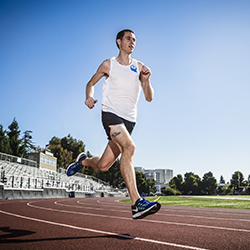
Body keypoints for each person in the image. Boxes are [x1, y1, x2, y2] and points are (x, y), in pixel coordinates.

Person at [66, 29, 161, 219]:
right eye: (128, 39)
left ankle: (82, 161)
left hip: (129, 120)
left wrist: (146, 80)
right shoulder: (108, 64)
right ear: (119, 42)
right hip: (111, 114)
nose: (132, 42)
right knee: (130, 148)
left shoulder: (139, 66)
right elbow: (90, 83)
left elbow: (149, 97)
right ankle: (136, 203)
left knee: (103, 165)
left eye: (134, 40)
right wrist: (89, 98)